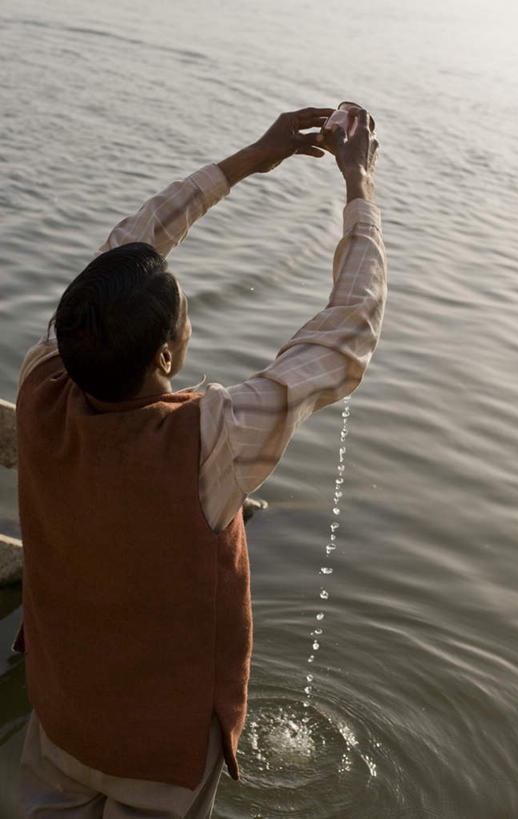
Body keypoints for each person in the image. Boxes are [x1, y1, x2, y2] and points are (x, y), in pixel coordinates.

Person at [13, 105, 386, 818]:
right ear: (166, 355)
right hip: (162, 754)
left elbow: (128, 243)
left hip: (60, 714)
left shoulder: (42, 379)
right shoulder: (210, 440)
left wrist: (250, 158)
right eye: (184, 318)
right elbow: (347, 333)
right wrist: (357, 185)